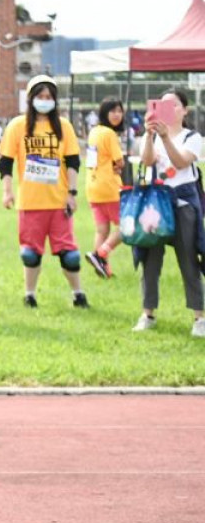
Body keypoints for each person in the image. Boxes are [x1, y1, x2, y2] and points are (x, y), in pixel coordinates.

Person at [0, 75, 88, 309]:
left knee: (70, 255)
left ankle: (78, 294)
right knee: (30, 254)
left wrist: (72, 193)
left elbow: (72, 162)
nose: (45, 101)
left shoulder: (64, 126)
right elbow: (5, 162)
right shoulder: (17, 126)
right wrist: (7, 191)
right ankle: (30, 295)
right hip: (30, 203)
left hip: (59, 202)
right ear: (31, 99)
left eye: (49, 97)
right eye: (40, 96)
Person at [132, 89, 205, 337]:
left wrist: (165, 138)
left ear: (185, 110)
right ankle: (147, 313)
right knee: (150, 261)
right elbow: (147, 161)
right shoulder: (149, 135)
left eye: (174, 105)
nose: (168, 109)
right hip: (155, 207)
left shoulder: (192, 137)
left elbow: (181, 162)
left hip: (183, 206)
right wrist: (151, 135)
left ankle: (199, 317)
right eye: (162, 105)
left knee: (188, 260)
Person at [84, 98, 127, 278]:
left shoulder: (94, 131)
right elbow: (120, 161)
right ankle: (100, 254)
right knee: (126, 227)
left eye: (119, 111)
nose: (117, 114)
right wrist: (119, 164)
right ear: (104, 114)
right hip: (109, 187)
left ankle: (102, 268)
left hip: (93, 186)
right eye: (113, 111)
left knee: (102, 230)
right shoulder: (110, 134)